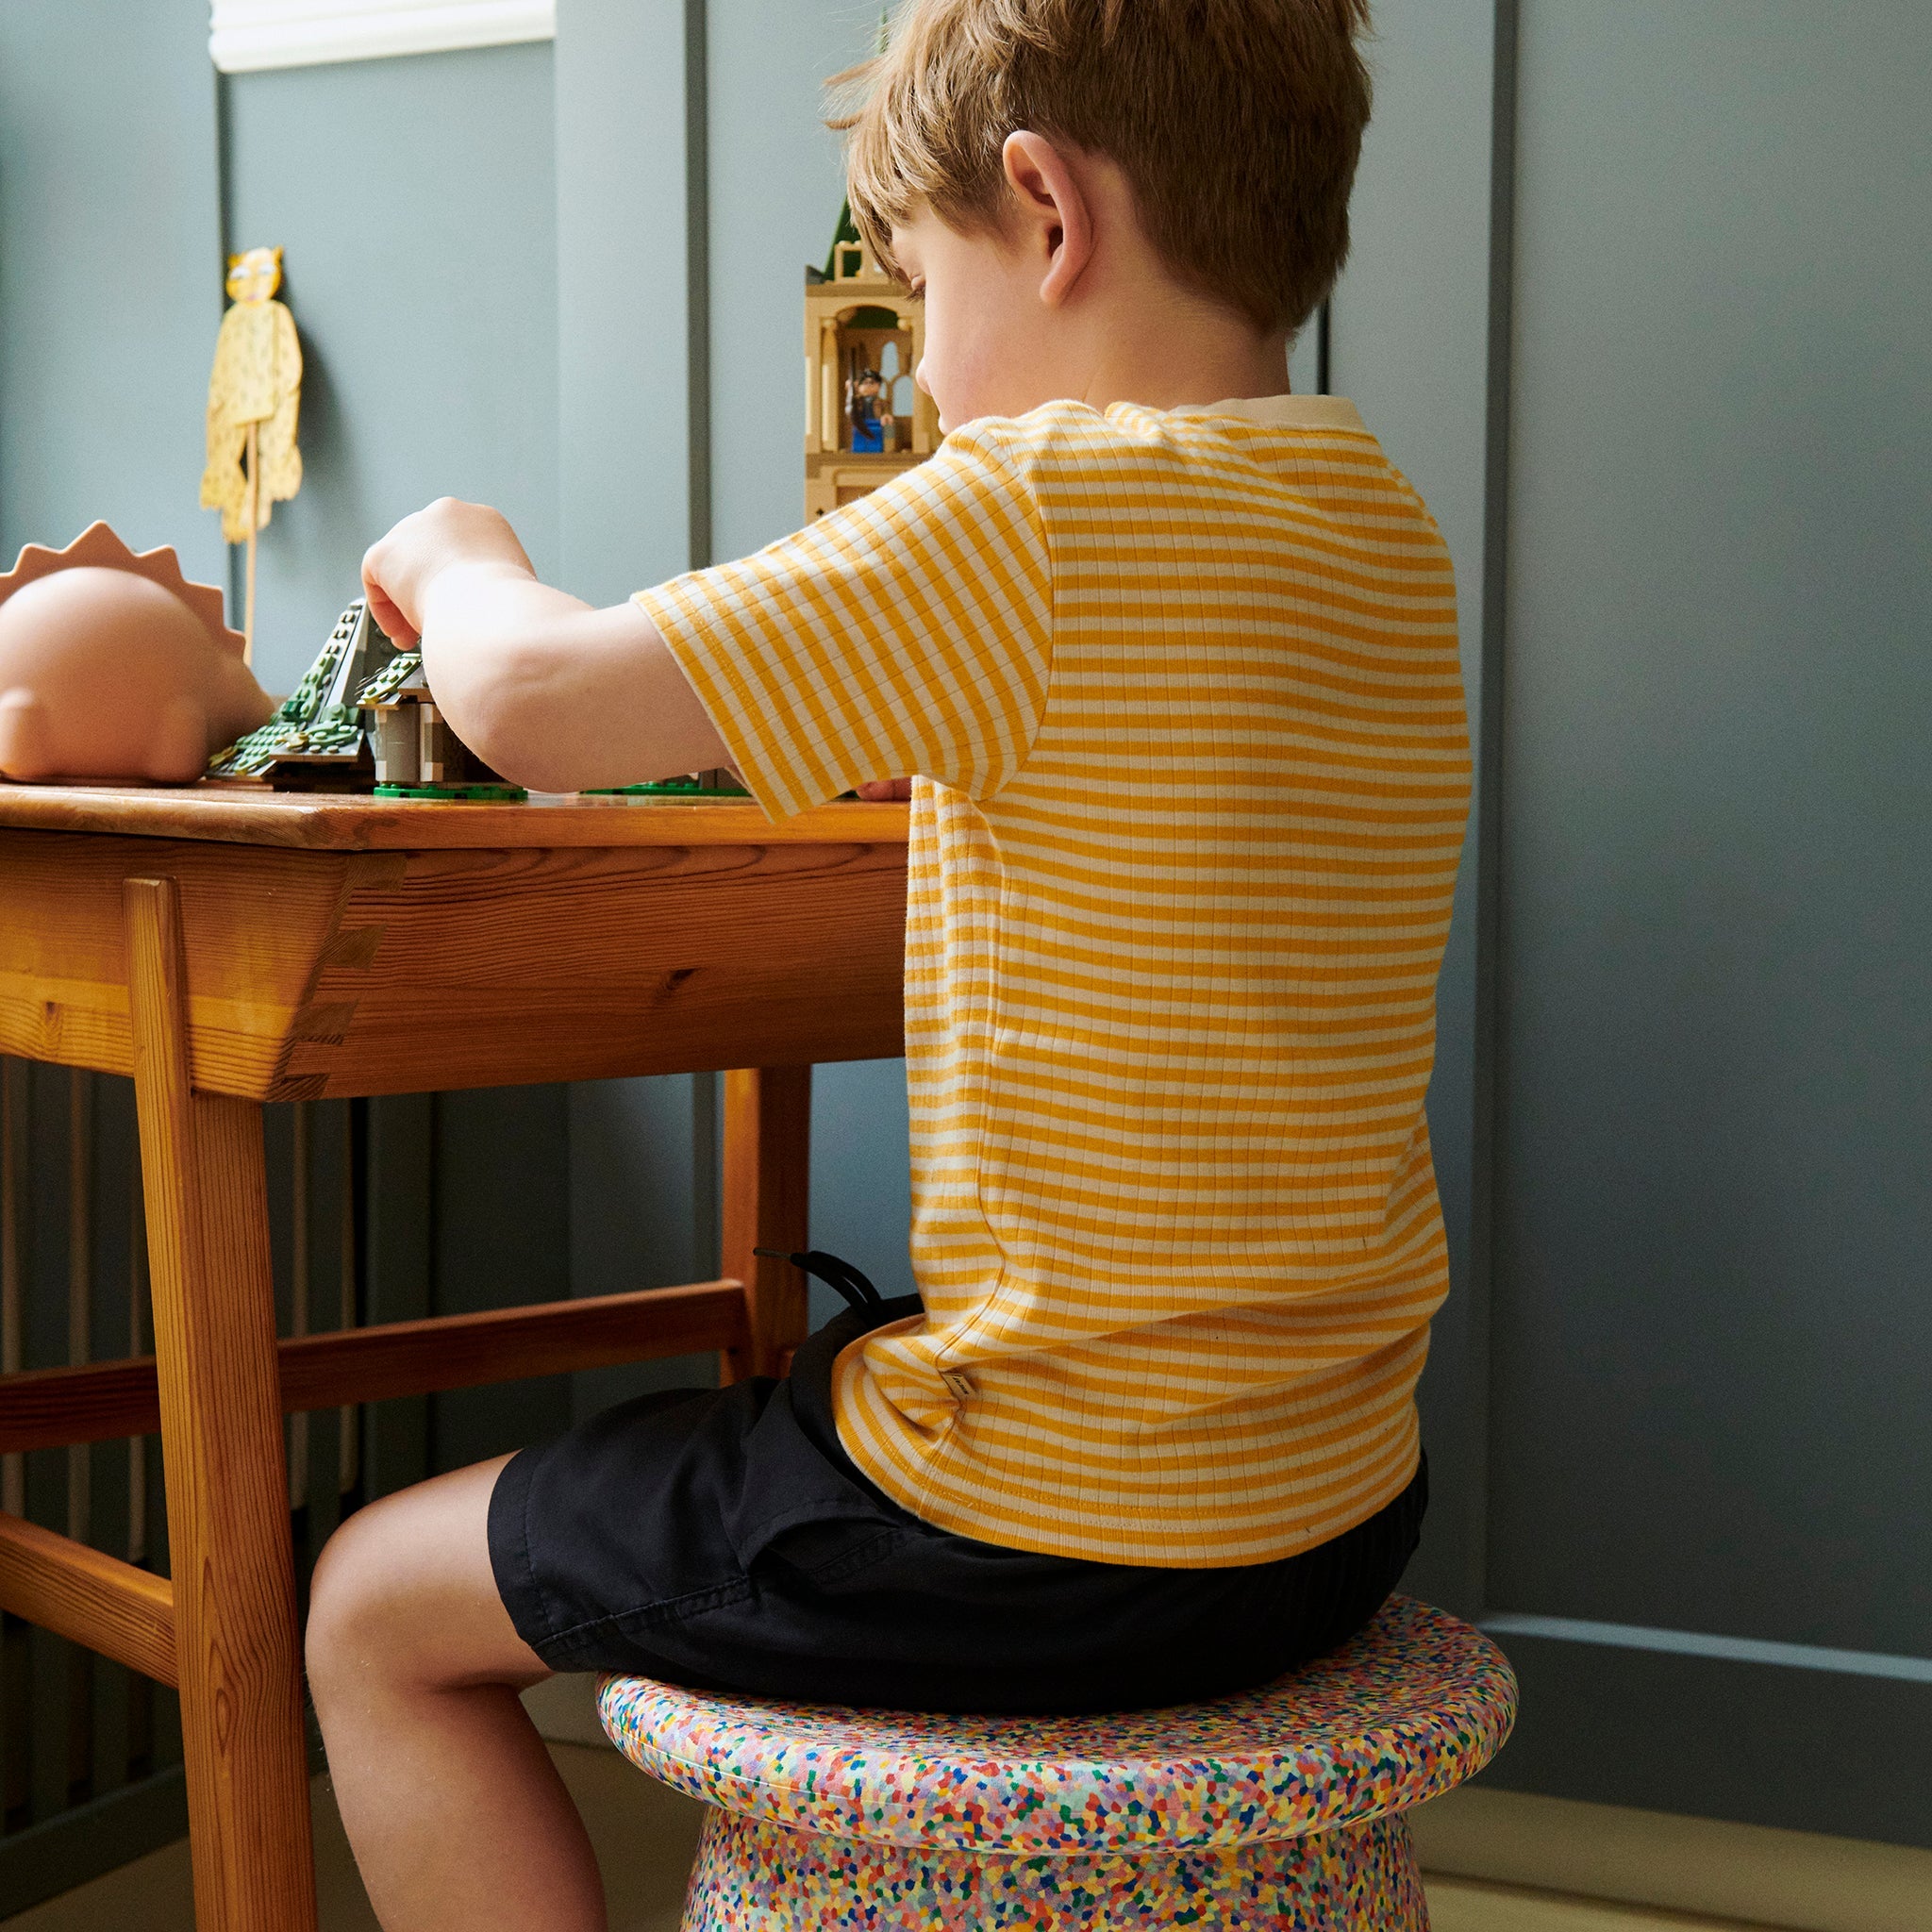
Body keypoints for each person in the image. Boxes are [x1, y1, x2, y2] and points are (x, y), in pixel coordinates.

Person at [307, 3, 1471, 1927]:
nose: (920, 362)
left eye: (918, 289)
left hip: (1052, 1535)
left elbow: (537, 697)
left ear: (1045, 213)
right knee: (835, 1362)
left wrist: (456, 554)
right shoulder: (1374, 524)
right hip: (1328, 1500)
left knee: (366, 1600)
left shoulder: (1030, 507)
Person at [846, 366, 891, 450]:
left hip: (876, 424)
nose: (869, 385)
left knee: (876, 441)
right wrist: (849, 390)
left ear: (879, 386)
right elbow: (850, 405)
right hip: (860, 424)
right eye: (865, 383)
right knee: (859, 442)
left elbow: (886, 411)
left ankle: (878, 450)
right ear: (859, 386)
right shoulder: (856, 400)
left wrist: (886, 416)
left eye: (872, 383)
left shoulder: (882, 402)